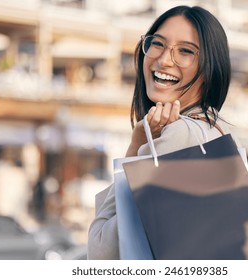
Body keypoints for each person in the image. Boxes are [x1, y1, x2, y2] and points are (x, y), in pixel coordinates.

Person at [87, 5, 232, 259]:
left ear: (210, 69)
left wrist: (135, 150)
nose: (164, 60)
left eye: (186, 51)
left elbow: (102, 253)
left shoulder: (180, 137)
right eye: (158, 44)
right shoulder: (215, 131)